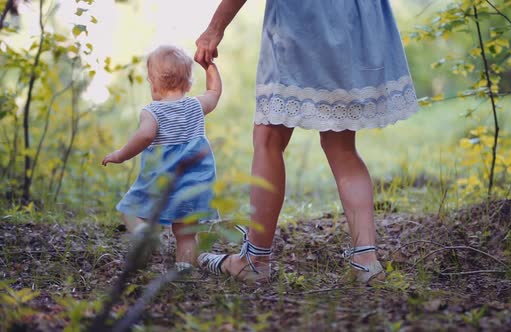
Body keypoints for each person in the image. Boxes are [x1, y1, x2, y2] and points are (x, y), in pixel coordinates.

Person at [195, 0, 419, 284]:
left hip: (301, 20)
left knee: (268, 139)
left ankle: (254, 260)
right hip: (352, 19)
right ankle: (366, 262)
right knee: (342, 146)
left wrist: (215, 28)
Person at [102, 45, 222, 271]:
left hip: (162, 180)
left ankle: (142, 233)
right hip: (195, 184)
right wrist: (210, 67)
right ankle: (183, 271)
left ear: (153, 83)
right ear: (188, 84)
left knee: (129, 210)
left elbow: (145, 135)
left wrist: (120, 155)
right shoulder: (196, 106)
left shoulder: (152, 112)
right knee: (186, 233)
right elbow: (214, 93)